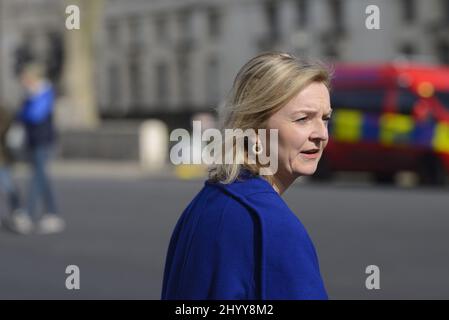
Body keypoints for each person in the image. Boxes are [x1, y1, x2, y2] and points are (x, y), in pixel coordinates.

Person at [161, 52, 332, 300]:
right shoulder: (272, 224)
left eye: (325, 119)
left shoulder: (204, 203)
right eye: (303, 119)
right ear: (254, 128)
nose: (321, 134)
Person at [2, 63, 65, 234]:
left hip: (43, 141)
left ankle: (28, 214)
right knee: (42, 177)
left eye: (24, 78)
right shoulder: (30, 95)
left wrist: (25, 109)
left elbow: (34, 115)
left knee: (38, 177)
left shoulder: (43, 93)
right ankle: (52, 214)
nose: (22, 81)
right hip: (33, 141)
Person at [0, 107, 25, 228]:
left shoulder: (3, 110)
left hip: (2, 158)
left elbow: (5, 128)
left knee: (8, 186)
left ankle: (18, 212)